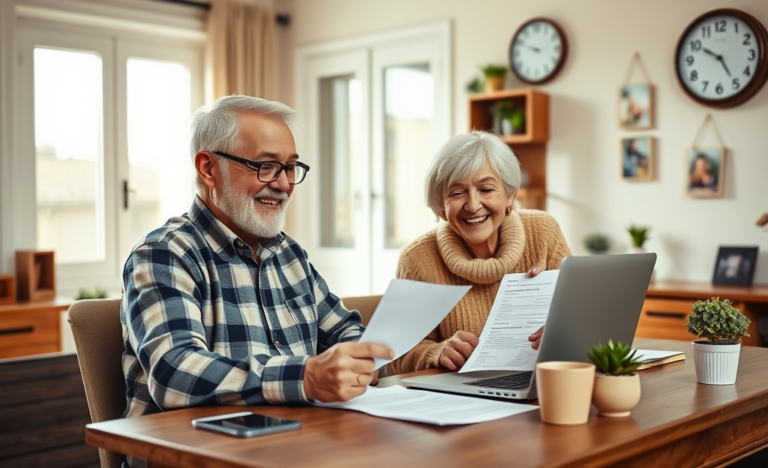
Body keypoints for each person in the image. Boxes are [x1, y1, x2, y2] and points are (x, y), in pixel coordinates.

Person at [120, 95, 393, 427]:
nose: (283, 184)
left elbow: (346, 331)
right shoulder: (164, 253)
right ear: (208, 169)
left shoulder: (289, 255)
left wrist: (356, 360)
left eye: (290, 167)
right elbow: (174, 371)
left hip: (291, 443)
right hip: (192, 454)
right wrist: (305, 378)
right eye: (265, 166)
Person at [387, 131, 571, 374]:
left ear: (510, 195)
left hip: (544, 385)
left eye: (486, 189)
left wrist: (565, 329)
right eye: (457, 192)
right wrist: (437, 352)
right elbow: (396, 354)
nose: (473, 205)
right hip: (460, 398)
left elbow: (585, 316)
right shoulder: (418, 258)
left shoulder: (543, 232)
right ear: (441, 206)